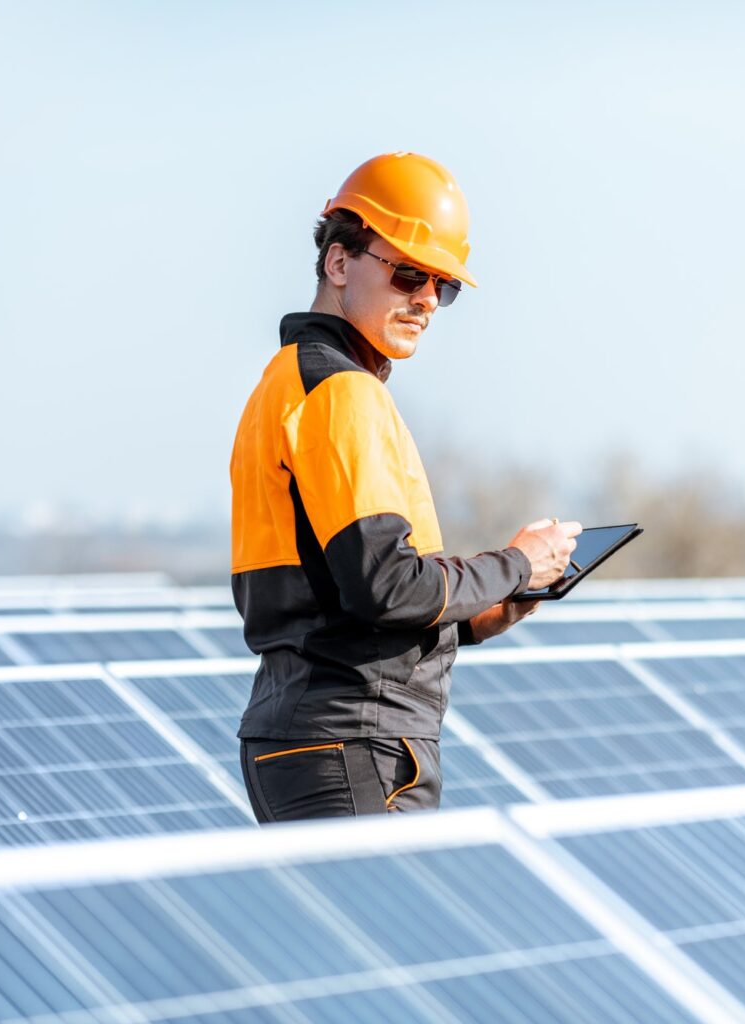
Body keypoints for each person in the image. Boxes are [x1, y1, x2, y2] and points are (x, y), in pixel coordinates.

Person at [230, 152, 581, 821]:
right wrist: (515, 564)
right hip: (354, 740)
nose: (425, 299)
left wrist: (489, 608)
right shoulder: (341, 392)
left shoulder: (287, 382)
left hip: (313, 735)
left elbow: (344, 603)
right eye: (408, 273)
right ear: (339, 262)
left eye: (441, 286)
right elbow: (387, 585)